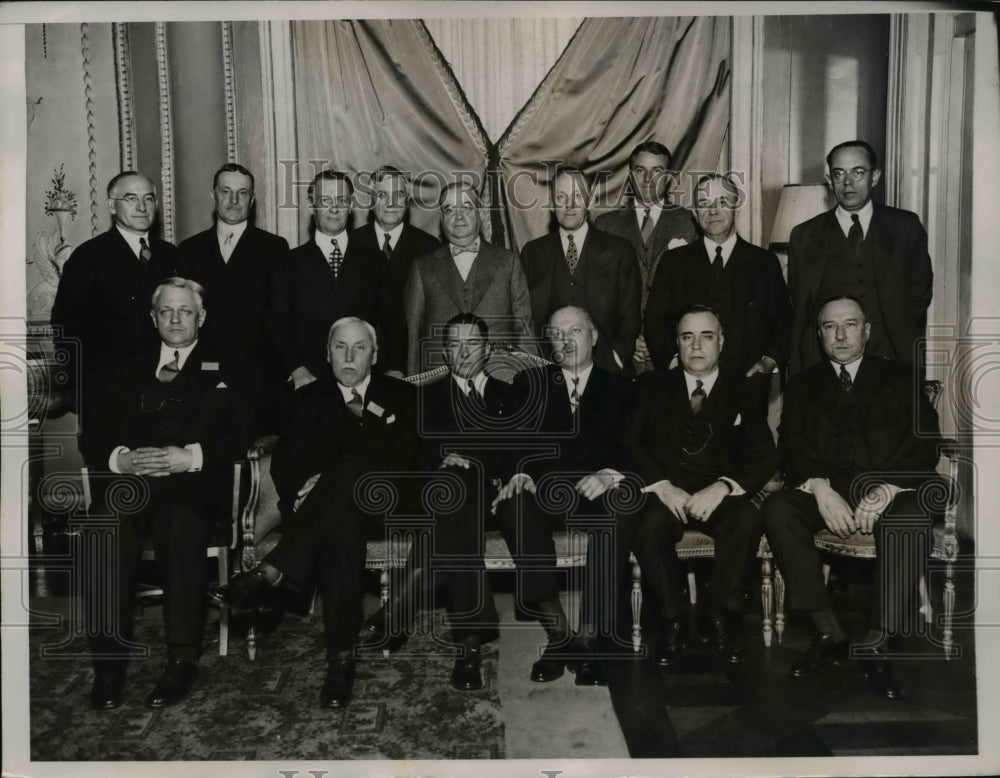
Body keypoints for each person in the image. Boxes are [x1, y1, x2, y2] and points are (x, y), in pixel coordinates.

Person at [212, 317, 418, 708]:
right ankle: (340, 663)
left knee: (347, 468)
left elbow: (406, 458)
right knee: (340, 529)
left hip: (388, 506)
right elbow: (286, 465)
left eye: (359, 347)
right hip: (328, 513)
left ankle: (270, 570)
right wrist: (305, 493)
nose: (349, 356)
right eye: (340, 347)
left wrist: (326, 481)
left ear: (375, 355)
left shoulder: (401, 395)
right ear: (327, 354)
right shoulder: (308, 399)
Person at [78, 277, 254, 710]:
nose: (176, 320)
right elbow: (94, 433)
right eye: (167, 312)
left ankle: (181, 660)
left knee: (181, 524)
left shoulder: (231, 366)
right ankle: (108, 667)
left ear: (202, 317)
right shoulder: (124, 367)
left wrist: (191, 455)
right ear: (153, 317)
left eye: (186, 311)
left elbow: (248, 434)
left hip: (194, 485)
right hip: (132, 484)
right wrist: (122, 459)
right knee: (104, 527)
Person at [762, 295, 941, 700]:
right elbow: (791, 448)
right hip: (832, 489)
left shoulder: (902, 377)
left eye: (850, 324)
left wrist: (886, 488)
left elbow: (923, 444)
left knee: (909, 517)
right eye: (829, 326)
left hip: (894, 489)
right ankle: (828, 631)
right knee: (778, 508)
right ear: (820, 334)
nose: (840, 335)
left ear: (867, 330)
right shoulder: (804, 385)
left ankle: (879, 639)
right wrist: (819, 487)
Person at [360, 313, 517, 690]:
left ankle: (402, 604)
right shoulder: (424, 398)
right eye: (455, 344)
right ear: (445, 352)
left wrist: (470, 459)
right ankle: (470, 647)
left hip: (495, 499)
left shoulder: (510, 395)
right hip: (447, 502)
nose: (463, 352)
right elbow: (412, 454)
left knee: (458, 480)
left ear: (488, 349)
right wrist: (442, 460)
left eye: (472, 343)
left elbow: (517, 448)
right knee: (451, 488)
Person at [618, 305, 776, 667]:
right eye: (687, 337)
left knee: (746, 520)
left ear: (721, 341)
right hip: (667, 494)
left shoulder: (743, 389)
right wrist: (660, 485)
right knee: (648, 525)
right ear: (677, 343)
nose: (697, 346)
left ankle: (717, 615)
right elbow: (627, 443)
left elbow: (763, 455)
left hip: (716, 495)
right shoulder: (651, 385)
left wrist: (723, 486)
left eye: (706, 336)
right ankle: (673, 619)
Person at [492, 305, 634, 685]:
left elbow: (635, 448)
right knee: (512, 506)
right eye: (556, 333)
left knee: (620, 511)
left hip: (596, 492)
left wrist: (609, 475)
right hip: (545, 491)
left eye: (575, 330)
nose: (566, 340)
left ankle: (588, 640)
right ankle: (558, 635)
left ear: (594, 335)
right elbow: (510, 442)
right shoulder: (529, 383)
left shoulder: (622, 387)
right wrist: (519, 472)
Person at [644, 173, 792, 410]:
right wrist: (673, 363)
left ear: (736, 207)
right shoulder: (674, 262)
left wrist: (768, 361)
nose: (713, 210)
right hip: (686, 391)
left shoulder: (763, 263)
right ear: (695, 213)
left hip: (748, 392)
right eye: (704, 204)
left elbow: (784, 321)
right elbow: (655, 320)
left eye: (722, 202)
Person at [787, 140, 933, 375]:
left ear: (874, 177)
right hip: (824, 367)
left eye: (857, 172)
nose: (848, 182)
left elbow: (920, 293)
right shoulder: (804, 235)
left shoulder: (905, 226)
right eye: (839, 173)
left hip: (892, 361)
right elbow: (800, 300)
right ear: (829, 179)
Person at [51, 171, 177, 422]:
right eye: (131, 199)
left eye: (149, 199)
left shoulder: (171, 255)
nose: (142, 207)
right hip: (110, 398)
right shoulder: (89, 257)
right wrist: (87, 391)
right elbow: (65, 328)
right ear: (111, 205)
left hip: (167, 395)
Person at [176, 163, 289, 433]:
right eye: (226, 191)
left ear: (252, 199)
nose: (234, 200)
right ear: (213, 195)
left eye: (242, 193)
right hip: (202, 379)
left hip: (259, 382)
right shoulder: (189, 250)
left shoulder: (274, 248)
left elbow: (281, 317)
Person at [271, 170, 407, 387]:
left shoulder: (375, 260)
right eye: (325, 200)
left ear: (351, 206)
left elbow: (394, 321)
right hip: (308, 385)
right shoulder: (288, 263)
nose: (334, 208)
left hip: (365, 383)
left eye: (342, 201)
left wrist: (395, 368)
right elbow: (278, 324)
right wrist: (297, 370)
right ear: (311, 204)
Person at [403, 181, 534, 375]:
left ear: (479, 213)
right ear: (441, 218)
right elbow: (413, 337)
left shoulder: (509, 261)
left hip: (501, 380)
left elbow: (524, 330)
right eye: (449, 209)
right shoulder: (422, 267)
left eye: (466, 207)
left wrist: (528, 382)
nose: (458, 217)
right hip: (440, 385)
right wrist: (413, 391)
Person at [520, 167, 641, 375]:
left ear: (591, 200)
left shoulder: (619, 250)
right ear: (551, 203)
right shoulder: (533, 253)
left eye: (577, 196)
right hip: (548, 372)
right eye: (561, 196)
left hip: (607, 372)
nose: (569, 205)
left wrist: (617, 359)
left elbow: (630, 316)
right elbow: (524, 318)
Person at [594, 141, 698, 372]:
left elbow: (694, 290)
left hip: (673, 351)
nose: (648, 179)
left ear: (669, 177)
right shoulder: (606, 225)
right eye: (640, 171)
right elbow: (599, 295)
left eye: (657, 171)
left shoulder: (688, 222)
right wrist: (627, 339)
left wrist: (660, 339)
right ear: (631, 177)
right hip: (620, 352)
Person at [349, 165, 441, 294]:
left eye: (399, 195)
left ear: (407, 201)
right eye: (381, 195)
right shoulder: (349, 244)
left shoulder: (429, 247)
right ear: (370, 201)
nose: (391, 202)